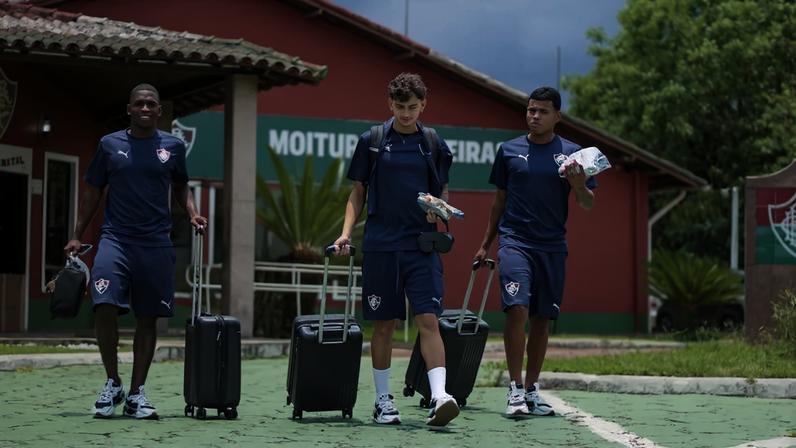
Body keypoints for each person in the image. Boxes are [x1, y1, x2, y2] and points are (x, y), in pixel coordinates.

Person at [65, 84, 207, 420]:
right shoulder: (109, 144)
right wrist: (76, 235)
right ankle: (112, 382)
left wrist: (192, 213)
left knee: (148, 317)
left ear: (159, 111)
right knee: (103, 305)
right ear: (129, 109)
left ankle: (136, 393)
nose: (145, 108)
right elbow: (93, 191)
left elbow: (181, 186)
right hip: (115, 239)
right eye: (139, 104)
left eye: (151, 104)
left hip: (155, 242)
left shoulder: (173, 146)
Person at [333, 73, 459, 426]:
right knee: (383, 326)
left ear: (424, 105)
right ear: (390, 104)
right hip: (381, 247)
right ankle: (383, 401)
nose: (406, 113)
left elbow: (442, 190)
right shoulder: (372, 141)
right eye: (400, 106)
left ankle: (439, 396)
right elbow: (358, 192)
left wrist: (438, 208)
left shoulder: (433, 143)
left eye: (413, 107)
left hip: (421, 246)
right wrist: (345, 233)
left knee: (428, 320)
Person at [473, 87, 596, 417]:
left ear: (557, 116)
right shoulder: (508, 151)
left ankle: (531, 390)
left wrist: (579, 185)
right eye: (531, 110)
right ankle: (514, 390)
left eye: (542, 111)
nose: (535, 116)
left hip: (552, 248)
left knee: (542, 319)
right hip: (514, 242)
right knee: (517, 309)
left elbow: (587, 203)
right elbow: (499, 202)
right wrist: (485, 243)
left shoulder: (572, 154)